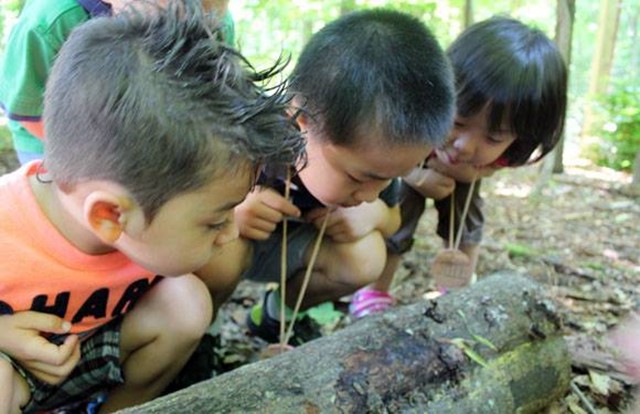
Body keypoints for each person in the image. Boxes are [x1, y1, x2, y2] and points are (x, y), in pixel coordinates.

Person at [0, 2, 303, 412]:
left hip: (87, 356)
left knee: (186, 305)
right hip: (18, 368)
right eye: (214, 220)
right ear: (110, 216)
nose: (231, 231)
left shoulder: (139, 211)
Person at [198, 8, 455, 345]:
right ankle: (204, 335)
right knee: (221, 257)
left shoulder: (376, 161)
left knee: (366, 257)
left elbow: (392, 220)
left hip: (294, 249)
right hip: (226, 246)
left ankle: (275, 316)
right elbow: (188, 206)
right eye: (359, 177)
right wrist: (233, 214)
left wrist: (376, 215)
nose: (370, 193)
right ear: (300, 121)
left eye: (390, 178)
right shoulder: (247, 132)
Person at [349, 16, 568, 318]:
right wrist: (416, 175)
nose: (465, 144)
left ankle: (456, 290)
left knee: (466, 221)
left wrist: (471, 172)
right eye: (459, 121)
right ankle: (374, 291)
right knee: (399, 219)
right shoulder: (414, 113)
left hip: (464, 175)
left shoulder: (509, 145)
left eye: (493, 136)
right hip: (409, 163)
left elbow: (492, 166)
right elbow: (384, 156)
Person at [0, 0, 235, 166]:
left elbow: (219, 98)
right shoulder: (48, 21)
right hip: (52, 141)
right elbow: (27, 111)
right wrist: (112, 153)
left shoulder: (213, 19)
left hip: (155, 131)